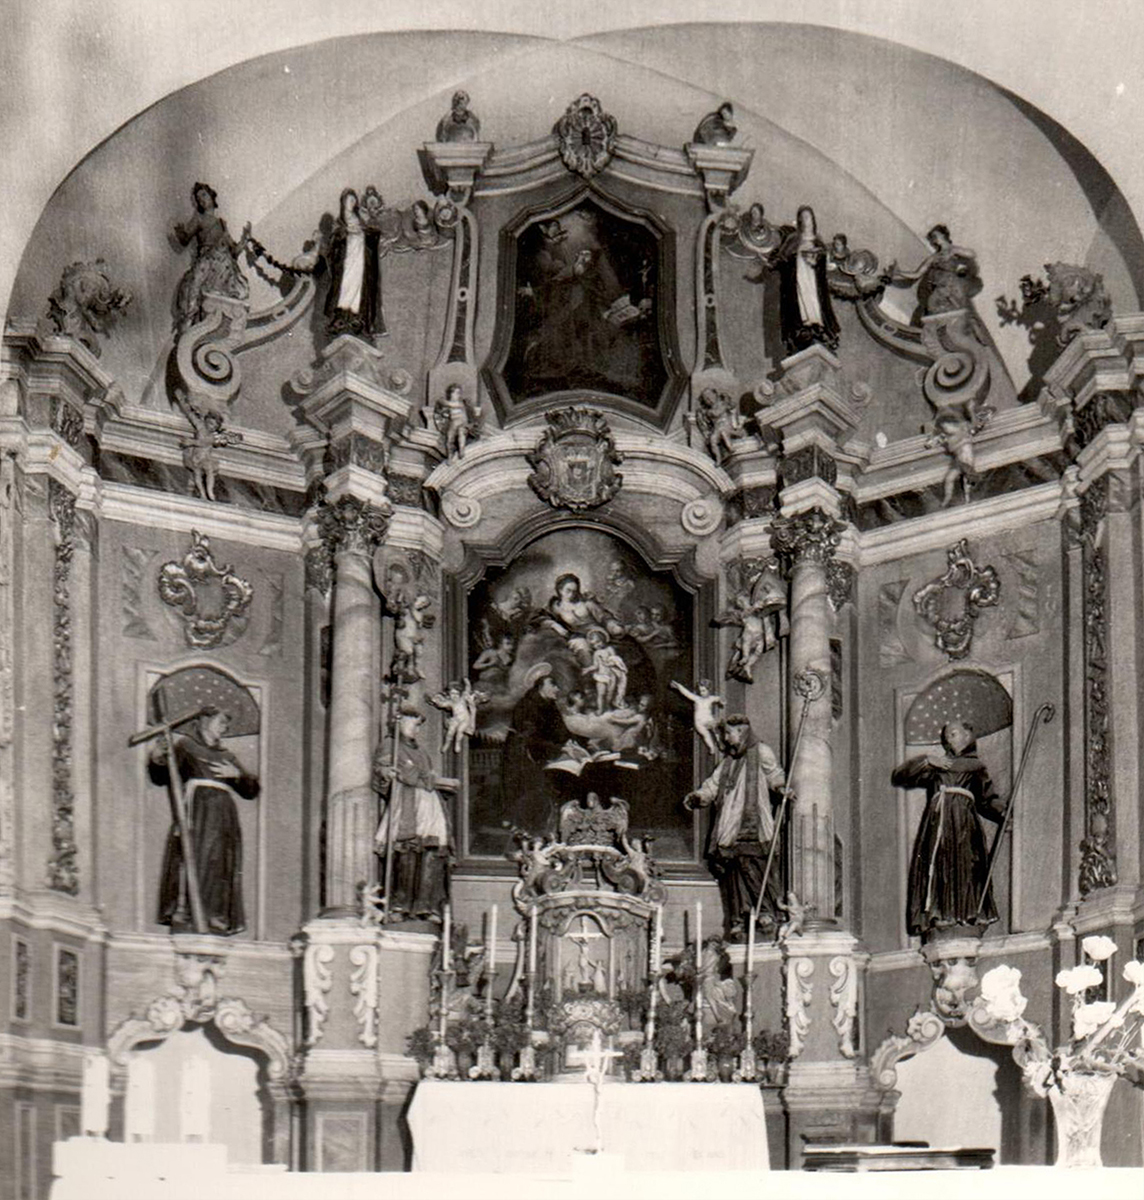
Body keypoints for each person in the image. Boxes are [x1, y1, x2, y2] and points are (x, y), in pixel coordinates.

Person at [149, 707, 259, 935]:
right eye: (221, 721)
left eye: (227, 723)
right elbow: (163, 776)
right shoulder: (186, 747)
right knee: (195, 859)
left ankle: (216, 916)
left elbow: (251, 790)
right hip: (197, 813)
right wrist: (158, 757)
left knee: (219, 863)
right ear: (204, 721)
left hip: (223, 817)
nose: (225, 727)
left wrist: (237, 775)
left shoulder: (227, 756)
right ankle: (189, 912)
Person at [890, 721, 1003, 939]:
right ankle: (939, 914)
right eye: (945, 736)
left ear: (968, 736)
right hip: (937, 822)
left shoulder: (976, 767)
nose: (947, 740)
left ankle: (965, 915)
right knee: (939, 864)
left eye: (952, 734)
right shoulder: (937, 765)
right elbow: (900, 775)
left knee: (966, 864)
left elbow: (987, 799)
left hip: (964, 822)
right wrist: (926, 761)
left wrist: (1005, 812)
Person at [684, 714, 787, 940]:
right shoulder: (728, 762)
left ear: (741, 732)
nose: (726, 738)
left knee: (756, 866)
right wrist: (699, 797)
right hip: (730, 823)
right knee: (733, 871)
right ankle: (741, 917)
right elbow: (712, 785)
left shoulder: (761, 752)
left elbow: (775, 774)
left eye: (729, 733)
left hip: (753, 822)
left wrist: (781, 788)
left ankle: (766, 913)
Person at [373, 707, 452, 922]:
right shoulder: (390, 745)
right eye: (413, 723)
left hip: (428, 804)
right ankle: (400, 905)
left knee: (430, 852)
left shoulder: (421, 752)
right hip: (406, 803)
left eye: (418, 725)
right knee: (405, 851)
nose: (416, 729)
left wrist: (429, 779)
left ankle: (425, 906)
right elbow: (387, 770)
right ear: (399, 723)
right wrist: (386, 773)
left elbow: (421, 774)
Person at [501, 667, 576, 831]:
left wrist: (572, 742)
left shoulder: (550, 704)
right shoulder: (527, 705)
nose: (557, 689)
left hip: (539, 749)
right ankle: (519, 823)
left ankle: (540, 821)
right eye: (553, 685)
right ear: (542, 686)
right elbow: (531, 738)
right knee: (522, 786)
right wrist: (560, 748)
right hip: (521, 751)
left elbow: (560, 729)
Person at [171, 183, 250, 335]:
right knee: (194, 285)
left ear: (212, 196)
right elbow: (185, 239)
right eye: (198, 198)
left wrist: (245, 240)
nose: (201, 200)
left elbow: (234, 250)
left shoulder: (222, 224)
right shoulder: (199, 219)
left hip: (223, 262)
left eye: (204, 195)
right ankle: (189, 318)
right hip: (207, 260)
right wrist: (179, 231)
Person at [772, 205, 839, 356]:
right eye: (803, 217)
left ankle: (816, 324)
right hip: (798, 275)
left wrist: (816, 260)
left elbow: (824, 264)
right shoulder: (793, 239)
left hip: (813, 277)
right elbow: (782, 258)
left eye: (808, 217)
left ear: (813, 220)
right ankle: (803, 326)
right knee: (800, 297)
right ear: (799, 220)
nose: (806, 220)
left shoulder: (818, 242)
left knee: (814, 299)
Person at [324, 187, 386, 342]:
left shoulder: (359, 219)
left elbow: (368, 236)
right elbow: (333, 245)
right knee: (345, 286)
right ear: (343, 202)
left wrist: (369, 234)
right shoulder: (339, 223)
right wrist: (345, 234)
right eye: (348, 200)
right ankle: (342, 318)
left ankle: (357, 318)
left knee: (359, 287)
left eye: (353, 200)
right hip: (346, 261)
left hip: (360, 259)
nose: (351, 203)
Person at [884, 224, 982, 317]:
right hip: (940, 291)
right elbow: (917, 274)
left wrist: (953, 251)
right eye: (932, 236)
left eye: (936, 235)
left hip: (953, 290)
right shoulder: (934, 257)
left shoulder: (954, 250)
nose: (934, 238)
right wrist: (899, 272)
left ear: (943, 234)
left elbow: (972, 254)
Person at [582, 627, 629, 713]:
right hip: (601, 676)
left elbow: (615, 659)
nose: (597, 645)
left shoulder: (609, 649)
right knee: (601, 693)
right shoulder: (596, 653)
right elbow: (596, 666)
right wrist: (588, 669)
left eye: (598, 642)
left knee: (610, 693)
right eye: (594, 644)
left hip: (611, 676)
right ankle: (600, 709)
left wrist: (610, 663)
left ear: (603, 639)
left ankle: (607, 706)